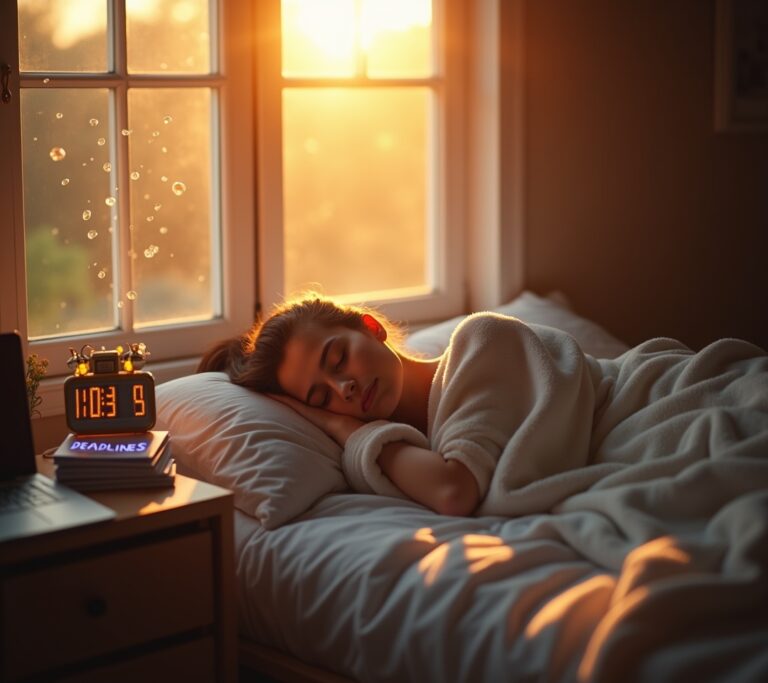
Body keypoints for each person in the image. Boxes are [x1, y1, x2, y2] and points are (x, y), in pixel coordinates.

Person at [198, 293, 482, 516]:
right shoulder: (387, 461)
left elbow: (452, 492)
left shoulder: (481, 344)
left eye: (338, 359)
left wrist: (340, 424)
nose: (343, 388)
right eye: (321, 398)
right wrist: (337, 425)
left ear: (371, 327)